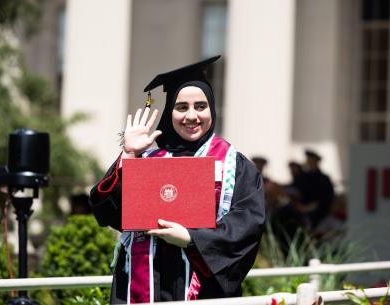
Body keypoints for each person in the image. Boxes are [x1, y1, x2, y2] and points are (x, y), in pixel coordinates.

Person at [89, 56, 265, 304]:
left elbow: (248, 226)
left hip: (203, 288)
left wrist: (193, 240)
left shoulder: (233, 164)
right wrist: (129, 154)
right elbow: (109, 213)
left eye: (200, 106)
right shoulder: (147, 157)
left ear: (212, 109)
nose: (191, 116)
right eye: (182, 107)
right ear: (170, 111)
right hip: (143, 283)